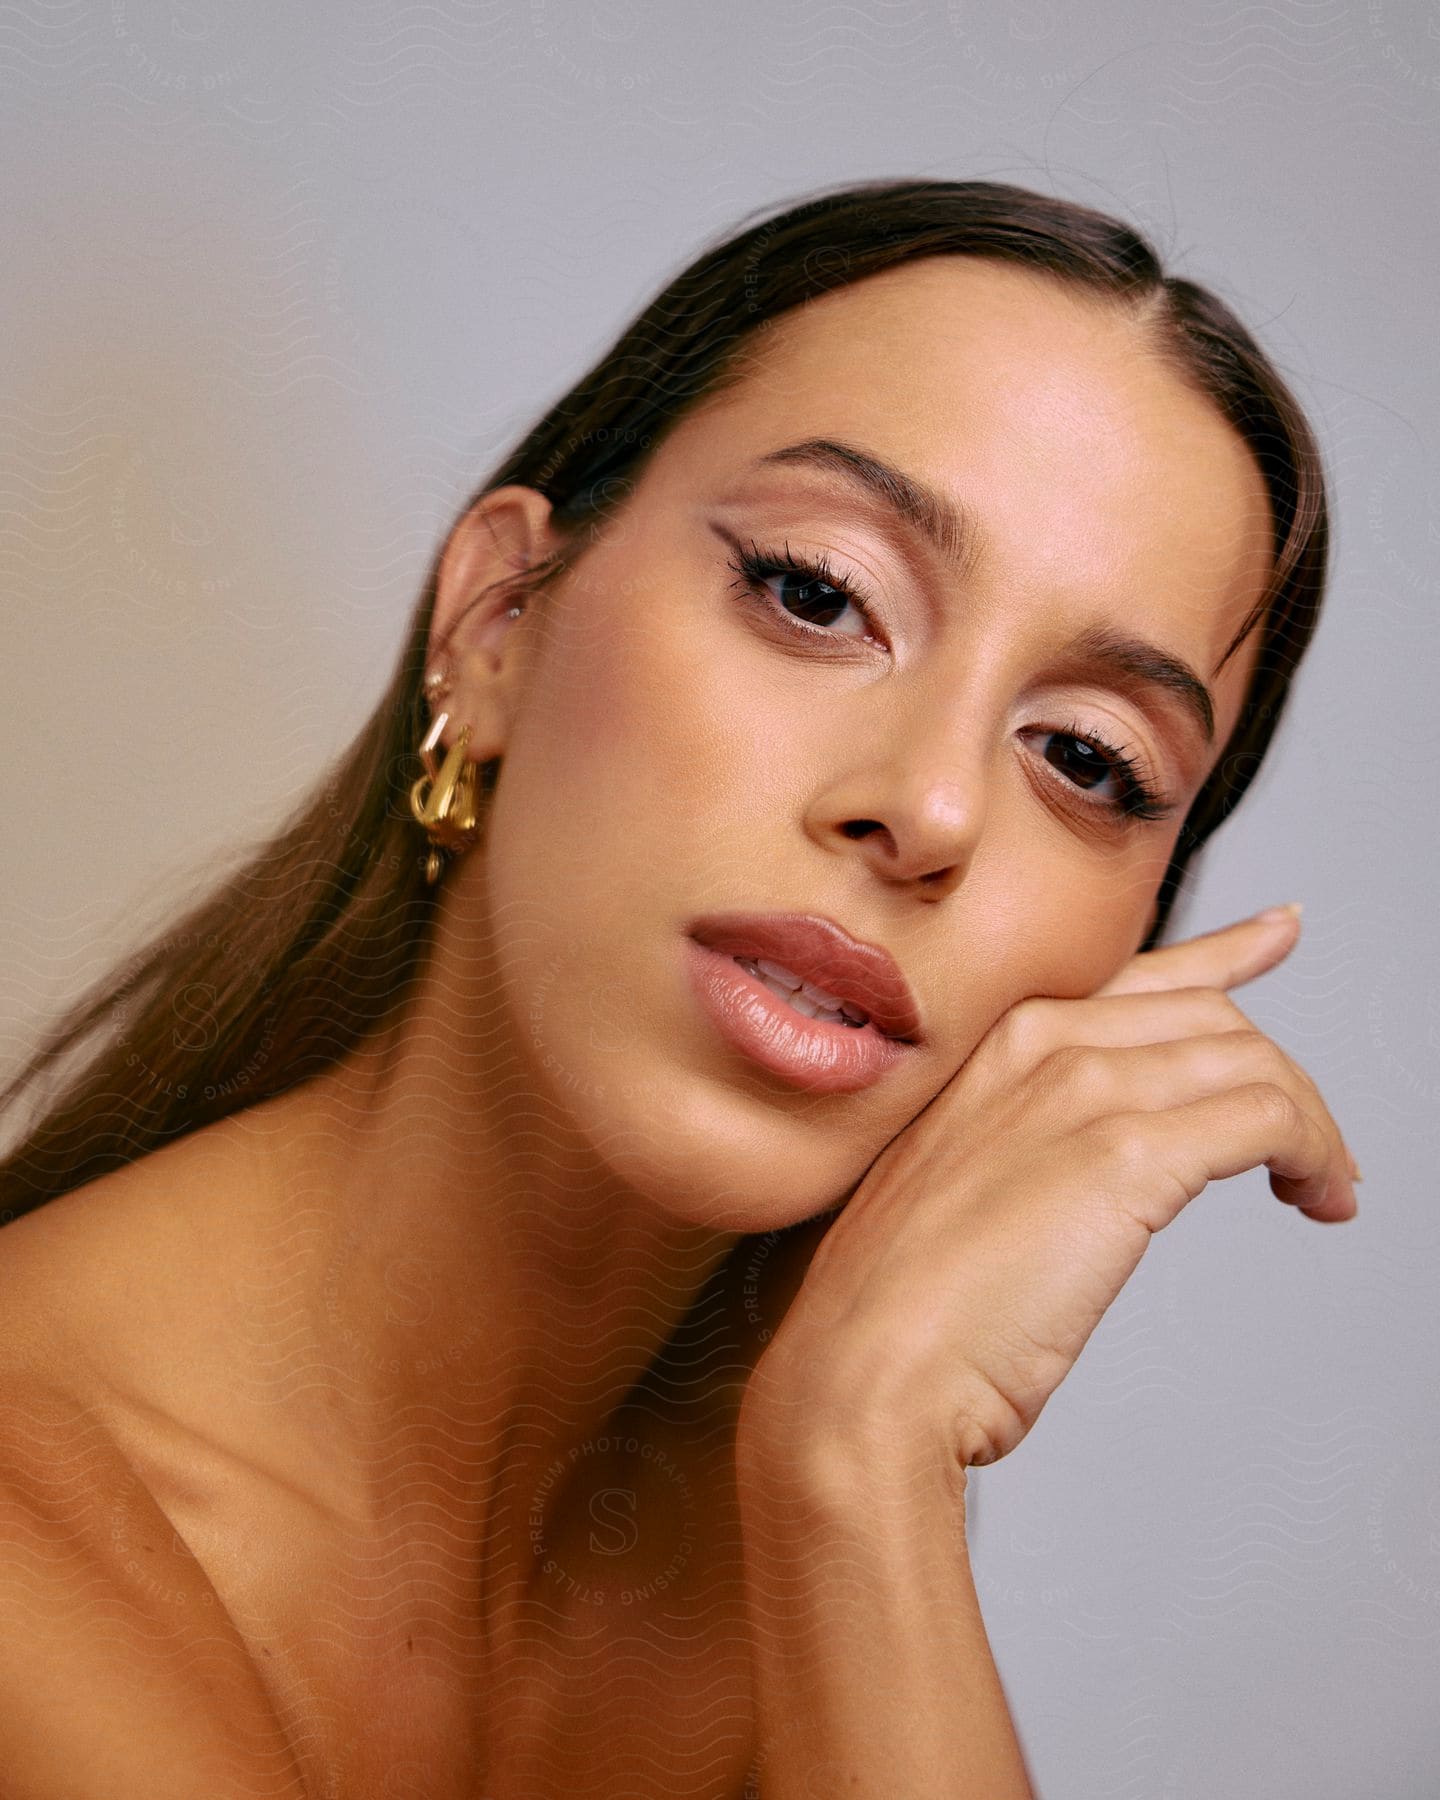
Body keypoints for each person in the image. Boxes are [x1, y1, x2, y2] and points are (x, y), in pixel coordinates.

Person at [0, 177, 1358, 1798]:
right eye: (814, 593)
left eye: (1086, 758)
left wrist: (859, 1467)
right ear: (500, 626)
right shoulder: (32, 1542)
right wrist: (858, 1479)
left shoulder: (803, 1473)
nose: (928, 810)